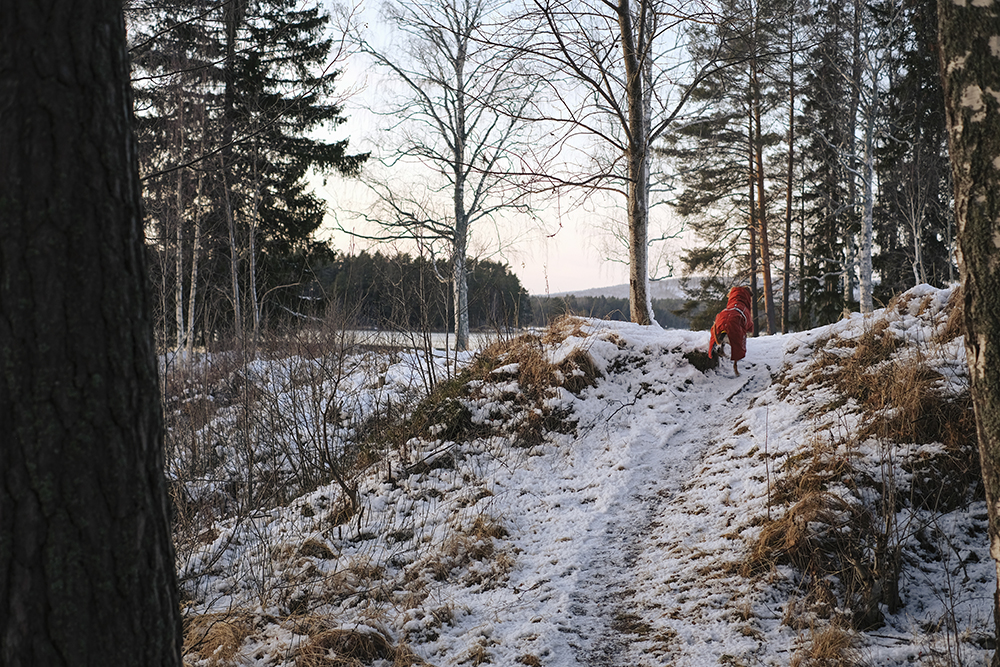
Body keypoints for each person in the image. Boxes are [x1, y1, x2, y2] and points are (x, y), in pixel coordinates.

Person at [708, 286, 753, 376]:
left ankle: (720, 347)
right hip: (734, 323)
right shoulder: (744, 309)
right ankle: (735, 367)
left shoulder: (728, 308)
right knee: (737, 340)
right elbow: (748, 325)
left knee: (724, 326)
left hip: (721, 323)